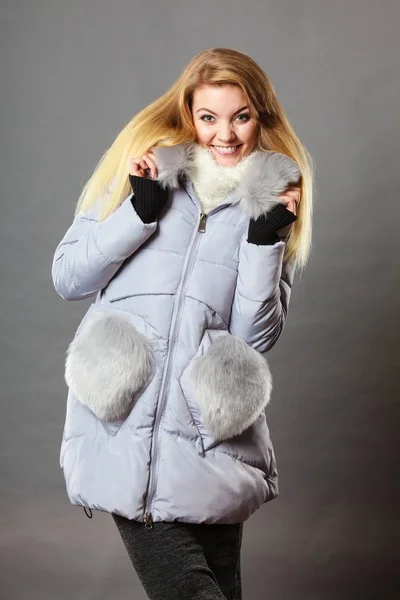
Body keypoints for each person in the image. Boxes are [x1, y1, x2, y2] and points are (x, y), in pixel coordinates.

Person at [51, 47, 314, 600]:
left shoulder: (271, 205)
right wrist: (139, 212)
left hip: (211, 436)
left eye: (241, 116)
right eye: (209, 117)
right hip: (131, 432)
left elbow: (256, 337)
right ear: (188, 116)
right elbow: (69, 276)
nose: (225, 134)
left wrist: (265, 240)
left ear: (261, 117)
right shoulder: (141, 172)